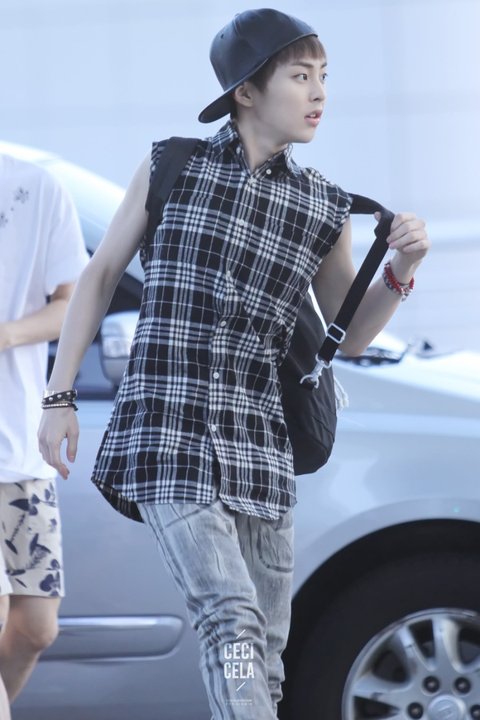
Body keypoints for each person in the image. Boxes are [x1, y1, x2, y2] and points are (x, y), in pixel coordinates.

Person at [37, 9, 430, 719]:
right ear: (246, 91)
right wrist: (59, 398)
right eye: (300, 76)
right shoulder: (173, 165)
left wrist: (402, 268)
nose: (319, 93)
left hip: (260, 451)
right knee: (229, 617)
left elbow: (349, 338)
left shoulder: (323, 207)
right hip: (168, 436)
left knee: (264, 653)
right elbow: (99, 277)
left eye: (324, 77)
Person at [0, 150, 88, 718]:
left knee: (35, 628)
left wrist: (7, 334)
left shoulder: (36, 185)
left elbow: (73, 301)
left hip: (18, 447)